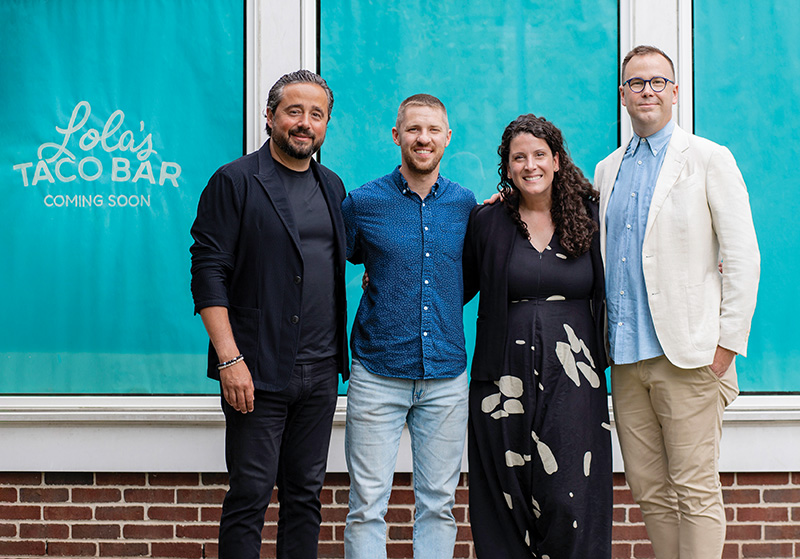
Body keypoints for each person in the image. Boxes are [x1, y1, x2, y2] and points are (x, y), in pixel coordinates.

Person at [594, 45, 760, 558]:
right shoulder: (607, 169)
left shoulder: (708, 158)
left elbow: (743, 256)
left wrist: (727, 346)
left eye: (657, 82)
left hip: (689, 359)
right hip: (625, 360)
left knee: (695, 490)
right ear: (622, 95)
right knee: (648, 491)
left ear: (675, 91)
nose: (647, 90)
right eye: (636, 83)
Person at [189, 69, 349, 559]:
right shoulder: (235, 181)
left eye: (315, 114)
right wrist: (229, 360)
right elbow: (207, 272)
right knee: (249, 497)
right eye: (293, 111)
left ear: (325, 125)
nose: (305, 123)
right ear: (270, 116)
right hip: (255, 372)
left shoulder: (333, 186)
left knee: (305, 498)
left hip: (320, 372)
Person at [463, 114, 612, 558]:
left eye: (539, 155)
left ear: (557, 161)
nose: (530, 165)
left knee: (571, 495)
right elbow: (453, 286)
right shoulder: (488, 221)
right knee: (504, 496)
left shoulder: (590, 216)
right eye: (519, 157)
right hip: (501, 382)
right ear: (507, 168)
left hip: (576, 381)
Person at [341, 94, 476, 559]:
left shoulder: (465, 205)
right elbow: (328, 265)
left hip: (446, 378)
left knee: (438, 505)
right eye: (414, 130)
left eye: (433, 130)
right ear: (396, 136)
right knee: (366, 506)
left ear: (447, 138)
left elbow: (469, 276)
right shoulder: (361, 203)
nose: (424, 139)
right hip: (377, 373)